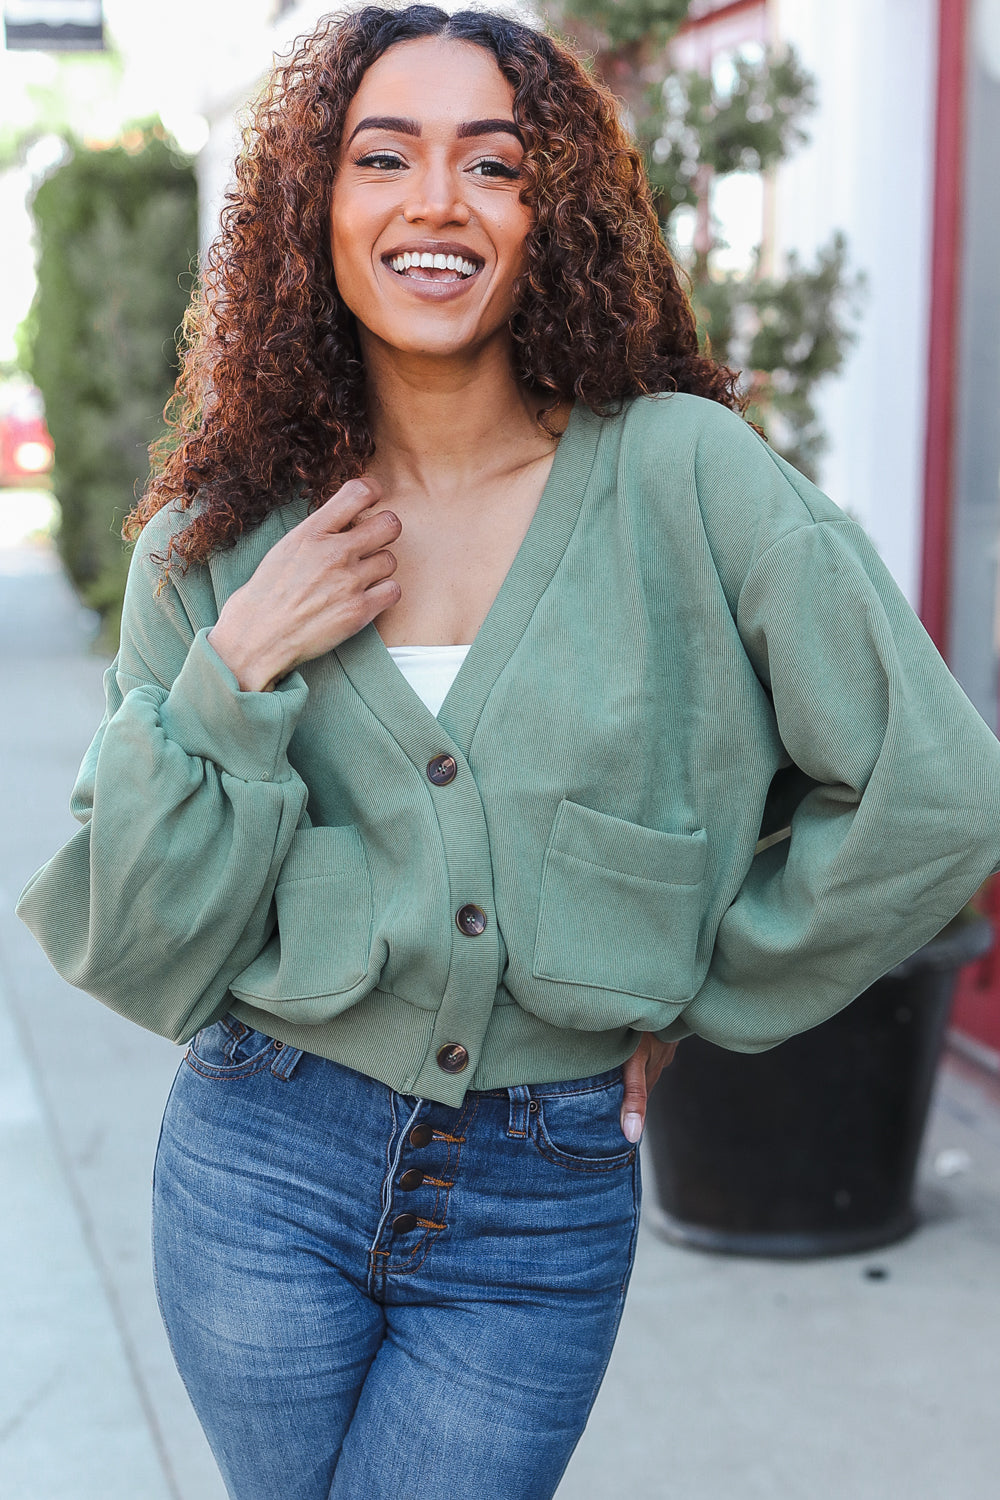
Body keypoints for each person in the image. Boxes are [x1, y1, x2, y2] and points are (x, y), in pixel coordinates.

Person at [17, 5, 1000, 1497]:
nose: (436, 202)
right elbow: (134, 943)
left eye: (494, 163)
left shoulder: (683, 476)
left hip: (538, 1195)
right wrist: (235, 669)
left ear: (557, 211)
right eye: (383, 156)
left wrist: (698, 979)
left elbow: (935, 788)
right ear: (315, 209)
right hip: (256, 1169)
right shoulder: (215, 546)